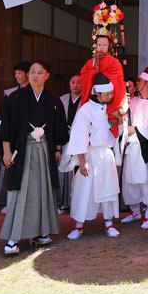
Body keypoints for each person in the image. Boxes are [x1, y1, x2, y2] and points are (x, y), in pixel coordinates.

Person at [0, 60, 69, 255]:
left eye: (39, 72)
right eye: (32, 72)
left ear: (47, 75)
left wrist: (57, 149)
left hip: (44, 150)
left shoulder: (53, 101)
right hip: (22, 151)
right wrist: (6, 151)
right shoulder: (14, 98)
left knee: (42, 192)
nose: (35, 76)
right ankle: (13, 238)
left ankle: (39, 232)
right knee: (20, 194)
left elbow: (58, 127)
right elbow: (6, 126)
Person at [64, 73, 121, 240]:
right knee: (84, 192)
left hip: (106, 154)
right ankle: (78, 226)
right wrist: (82, 161)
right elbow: (79, 136)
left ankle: (109, 223)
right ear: (97, 93)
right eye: (107, 94)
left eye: (111, 93)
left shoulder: (111, 108)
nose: (110, 96)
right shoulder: (85, 110)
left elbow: (117, 131)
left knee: (108, 189)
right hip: (90, 155)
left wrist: (119, 120)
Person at [120, 66, 148, 230]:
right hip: (132, 147)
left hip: (146, 147)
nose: (136, 82)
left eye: (139, 80)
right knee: (130, 180)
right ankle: (135, 211)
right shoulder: (134, 101)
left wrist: (133, 130)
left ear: (147, 83)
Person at [0, 60, 30, 214]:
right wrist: (6, 148)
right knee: (13, 171)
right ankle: (11, 203)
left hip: (30, 139)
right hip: (13, 139)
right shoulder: (10, 94)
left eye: (19, 73)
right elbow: (4, 119)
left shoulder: (36, 93)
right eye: (15, 73)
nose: (17, 76)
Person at [80, 33, 128, 138]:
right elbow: (84, 75)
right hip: (94, 100)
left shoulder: (114, 63)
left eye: (104, 45)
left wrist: (100, 77)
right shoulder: (91, 62)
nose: (101, 47)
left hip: (110, 100)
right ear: (95, 45)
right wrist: (93, 74)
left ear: (109, 46)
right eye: (99, 44)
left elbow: (118, 80)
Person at [57, 74, 82, 214]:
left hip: (79, 138)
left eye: (79, 82)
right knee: (64, 171)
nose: (76, 85)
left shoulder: (86, 100)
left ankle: (76, 203)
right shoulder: (62, 99)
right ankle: (64, 203)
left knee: (78, 170)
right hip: (65, 137)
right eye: (73, 82)